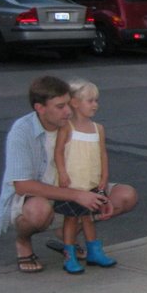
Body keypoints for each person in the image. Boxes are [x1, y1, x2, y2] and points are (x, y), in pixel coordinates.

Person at [0, 76, 137, 274]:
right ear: (40, 108)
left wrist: (98, 186)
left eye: (68, 104)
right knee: (39, 211)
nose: (68, 111)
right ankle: (23, 242)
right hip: (40, 195)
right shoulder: (22, 131)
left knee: (126, 196)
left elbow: (99, 154)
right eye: (60, 106)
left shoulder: (76, 124)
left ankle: (67, 234)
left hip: (79, 185)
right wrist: (78, 195)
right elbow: (22, 186)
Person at [52, 79, 118, 273]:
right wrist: (62, 173)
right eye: (90, 100)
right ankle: (69, 254)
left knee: (88, 217)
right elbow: (58, 152)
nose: (95, 104)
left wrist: (104, 176)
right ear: (74, 102)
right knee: (72, 219)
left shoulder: (98, 129)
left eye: (96, 100)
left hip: (91, 182)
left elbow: (102, 153)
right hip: (73, 185)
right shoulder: (67, 128)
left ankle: (94, 251)